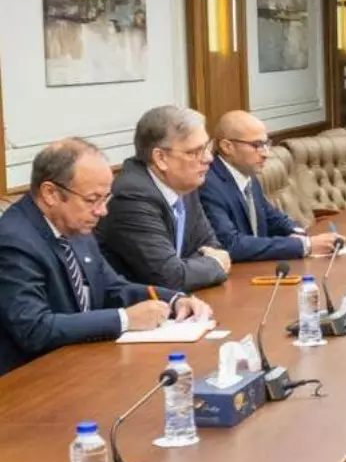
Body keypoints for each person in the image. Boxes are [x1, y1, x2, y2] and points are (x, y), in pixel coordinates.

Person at [0, 139, 214, 376]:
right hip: (28, 379)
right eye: (92, 200)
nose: (102, 211)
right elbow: (34, 329)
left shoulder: (73, 224)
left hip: (79, 364)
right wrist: (124, 319)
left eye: (105, 199)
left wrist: (173, 300)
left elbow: (112, 288)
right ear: (51, 193)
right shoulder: (14, 241)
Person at [96, 106, 231, 291]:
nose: (208, 158)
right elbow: (169, 277)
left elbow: (210, 245)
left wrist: (191, 267)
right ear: (160, 158)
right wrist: (215, 264)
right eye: (195, 151)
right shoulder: (132, 196)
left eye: (207, 147)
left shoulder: (184, 183)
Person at [201, 111, 341, 262]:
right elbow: (231, 244)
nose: (266, 154)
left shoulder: (246, 173)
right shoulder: (208, 184)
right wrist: (304, 246)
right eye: (257, 145)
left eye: (266, 144)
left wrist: (299, 233)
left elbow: (271, 217)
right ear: (227, 147)